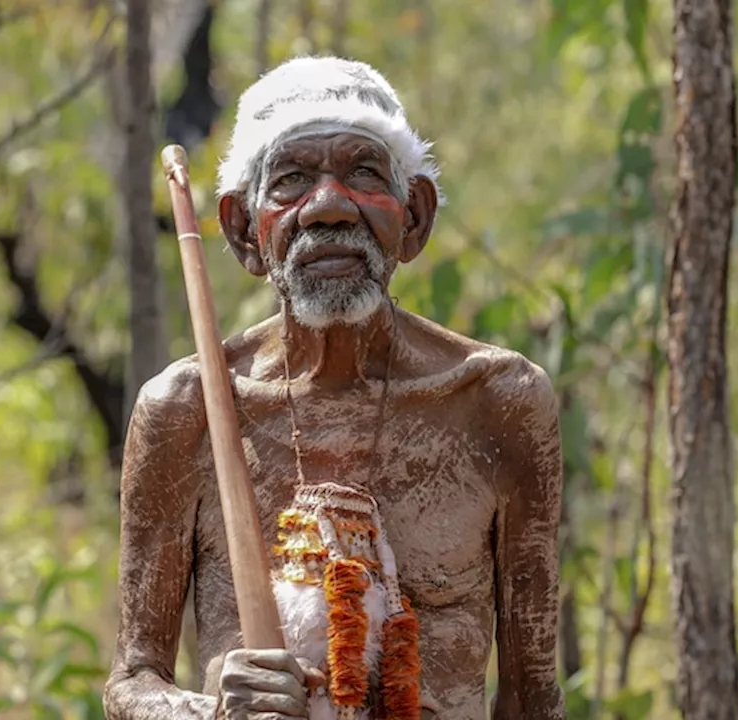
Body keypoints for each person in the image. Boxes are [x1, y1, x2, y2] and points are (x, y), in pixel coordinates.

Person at [103, 55, 565, 720]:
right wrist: (203, 712)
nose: (327, 208)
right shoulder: (187, 411)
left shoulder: (499, 403)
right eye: (291, 181)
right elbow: (131, 681)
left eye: (364, 174)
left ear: (414, 217)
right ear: (242, 232)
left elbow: (533, 697)